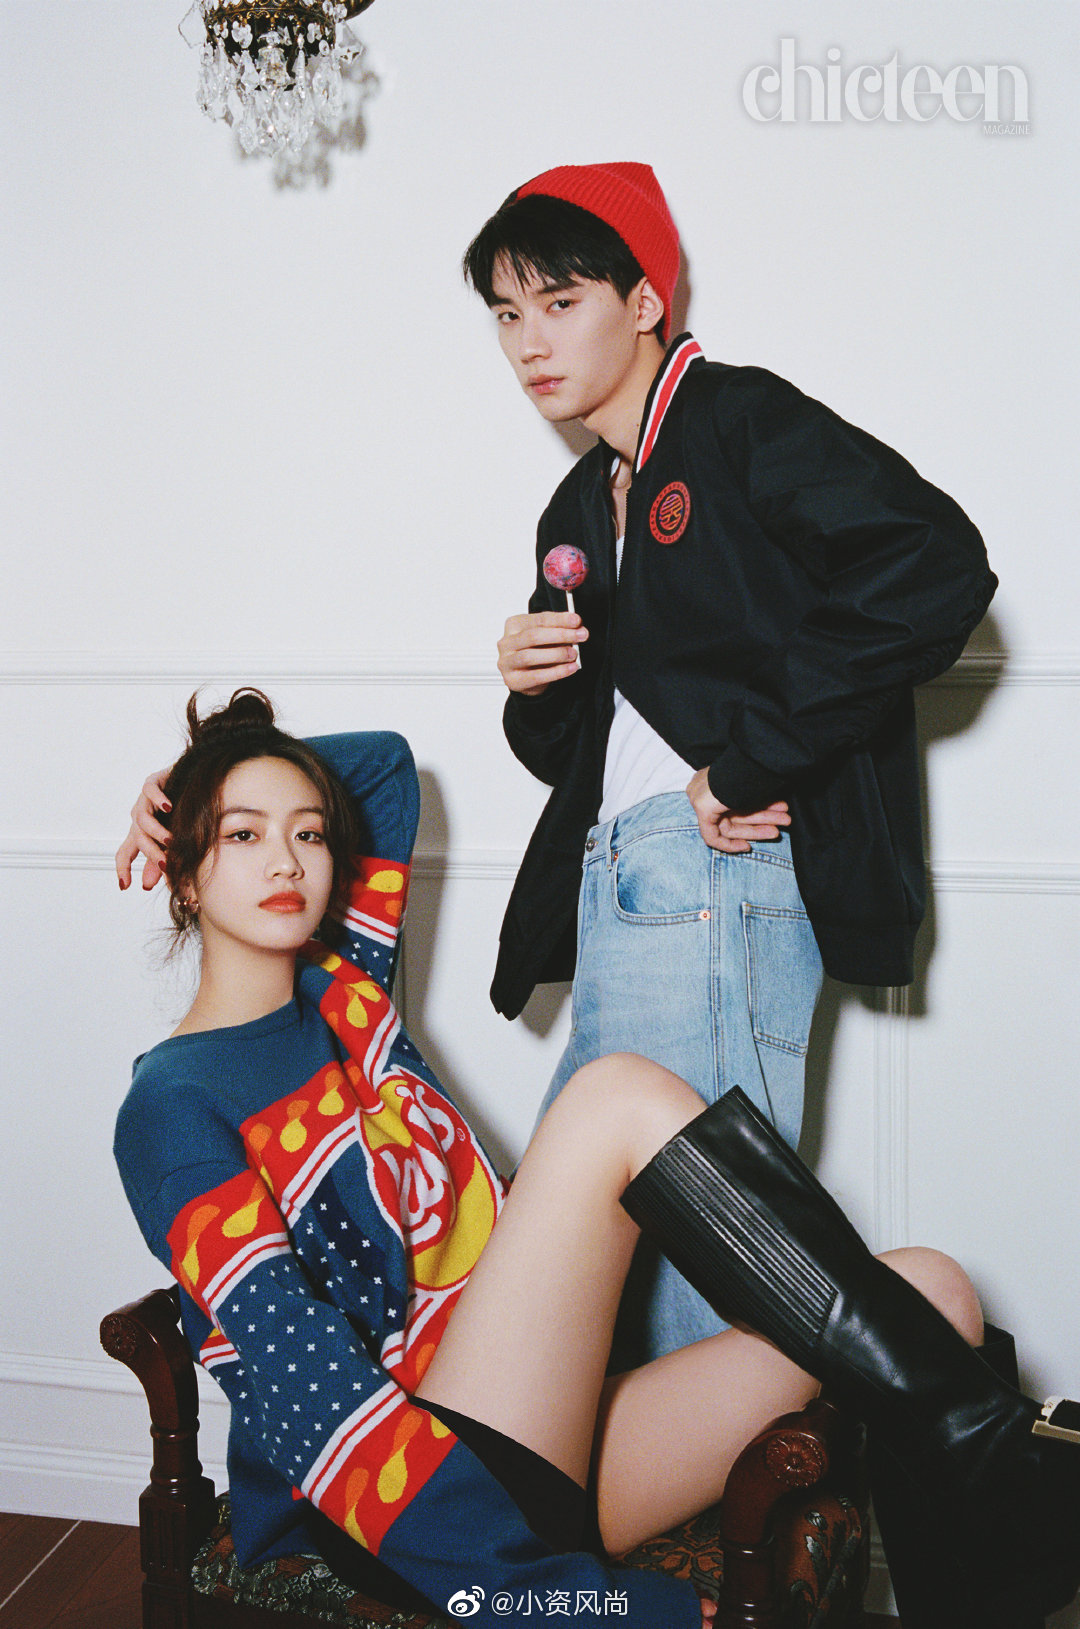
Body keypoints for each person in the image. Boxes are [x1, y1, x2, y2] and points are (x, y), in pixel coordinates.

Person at [113, 691, 1080, 1629]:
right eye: (240, 835)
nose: (286, 858)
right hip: (398, 1511)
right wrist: (579, 1603)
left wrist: (186, 786)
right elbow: (310, 1399)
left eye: (308, 834)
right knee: (612, 1096)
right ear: (183, 876)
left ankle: (1003, 1507)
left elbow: (381, 772)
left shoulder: (343, 994)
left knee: (934, 1291)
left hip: (525, 1434)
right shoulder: (173, 1107)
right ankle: (1005, 1450)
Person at [463, 162, 998, 1366]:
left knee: (692, 1277)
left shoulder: (736, 420)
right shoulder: (579, 503)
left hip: (708, 882)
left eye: (561, 302)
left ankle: (822, 1472)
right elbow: (587, 748)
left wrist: (750, 763)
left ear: (646, 301)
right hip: (620, 884)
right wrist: (534, 687)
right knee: (574, 1268)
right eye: (505, 313)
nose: (529, 342)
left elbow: (934, 566)